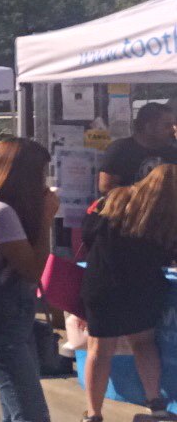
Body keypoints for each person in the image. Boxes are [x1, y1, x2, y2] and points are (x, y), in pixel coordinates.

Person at [0, 138, 58, 422]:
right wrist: (46, 219)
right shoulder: (0, 213)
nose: (44, 182)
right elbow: (32, 270)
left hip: (8, 321)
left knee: (16, 408)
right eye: (40, 173)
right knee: (30, 413)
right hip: (0, 324)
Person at [80, 165, 177, 422]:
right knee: (144, 343)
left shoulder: (115, 197)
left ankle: (93, 414)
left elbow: (88, 232)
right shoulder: (168, 214)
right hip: (143, 286)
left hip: (103, 283)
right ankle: (156, 405)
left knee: (99, 349)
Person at [98, 102, 177, 194]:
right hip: (130, 203)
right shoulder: (120, 149)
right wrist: (142, 195)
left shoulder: (172, 153)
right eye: (167, 125)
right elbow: (106, 187)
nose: (173, 130)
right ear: (150, 127)